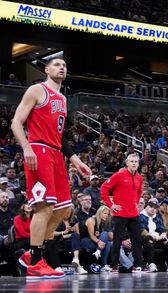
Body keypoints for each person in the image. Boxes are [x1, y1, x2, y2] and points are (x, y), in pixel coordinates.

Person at [10, 58, 92, 279]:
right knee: (44, 208)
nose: (62, 67)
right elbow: (16, 122)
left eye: (65, 64)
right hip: (39, 150)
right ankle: (36, 261)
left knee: (63, 209)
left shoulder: (63, 99)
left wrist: (75, 159)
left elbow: (60, 135)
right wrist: (27, 147)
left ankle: (32, 254)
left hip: (56, 153)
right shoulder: (37, 89)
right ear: (46, 70)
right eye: (56, 64)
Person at [101, 152, 146, 272]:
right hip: (120, 213)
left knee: (137, 240)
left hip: (133, 213)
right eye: (131, 161)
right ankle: (114, 266)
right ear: (127, 163)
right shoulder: (119, 175)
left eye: (136, 161)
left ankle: (138, 265)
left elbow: (139, 191)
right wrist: (111, 205)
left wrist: (135, 203)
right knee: (117, 240)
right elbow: (104, 188)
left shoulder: (139, 178)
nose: (134, 163)